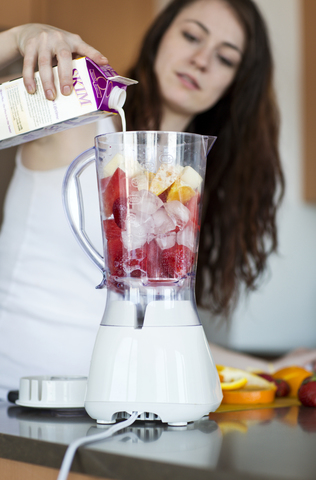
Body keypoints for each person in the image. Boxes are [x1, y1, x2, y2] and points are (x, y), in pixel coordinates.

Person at [0, 2, 315, 399]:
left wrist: (268, 369)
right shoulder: (75, 120)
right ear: (159, 36)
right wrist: (17, 38)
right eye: (191, 36)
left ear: (236, 83)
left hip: (117, 402)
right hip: (17, 402)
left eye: (225, 58)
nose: (201, 61)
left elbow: (148, 324)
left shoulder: (186, 185)